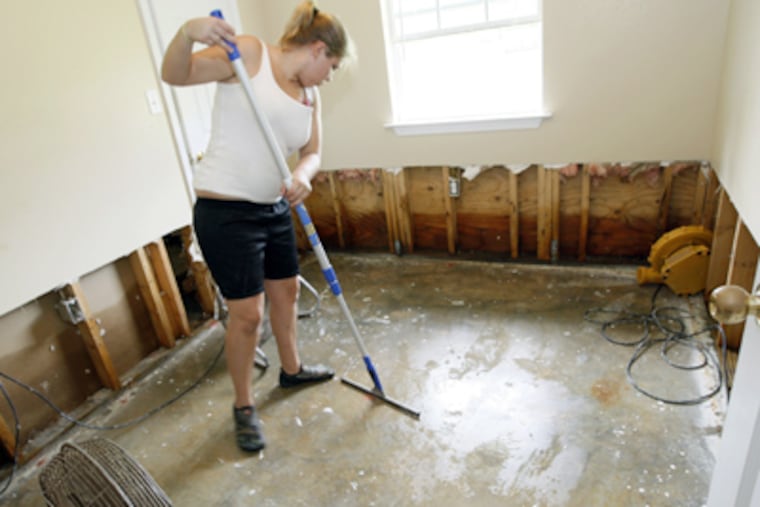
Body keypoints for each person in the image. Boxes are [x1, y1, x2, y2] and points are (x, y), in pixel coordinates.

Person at [161, 1, 350, 452]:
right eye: (332, 66)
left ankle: (291, 368)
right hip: (226, 214)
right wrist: (188, 32)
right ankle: (243, 405)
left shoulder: (310, 95)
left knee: (286, 293)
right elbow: (176, 74)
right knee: (247, 315)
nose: (329, 76)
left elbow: (312, 151)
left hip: (273, 209)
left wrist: (303, 175)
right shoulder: (247, 55)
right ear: (317, 50)